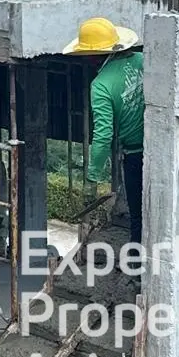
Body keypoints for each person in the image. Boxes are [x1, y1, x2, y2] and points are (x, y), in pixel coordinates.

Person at [67, 17, 145, 247]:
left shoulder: (101, 85)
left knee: (138, 216)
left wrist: (92, 177)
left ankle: (137, 267)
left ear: (91, 56)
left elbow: (103, 134)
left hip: (136, 155)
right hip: (162, 145)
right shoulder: (142, 60)